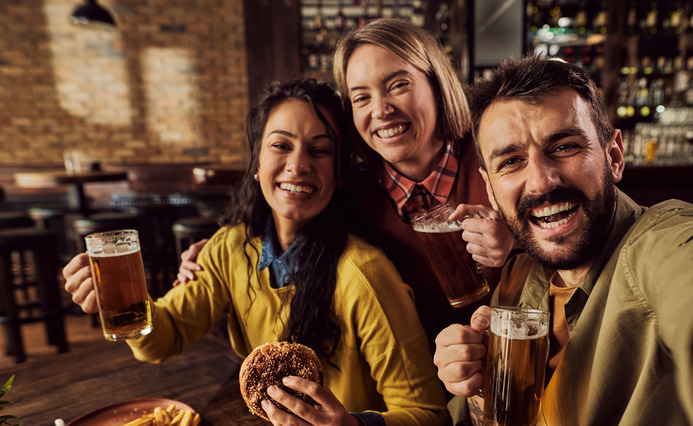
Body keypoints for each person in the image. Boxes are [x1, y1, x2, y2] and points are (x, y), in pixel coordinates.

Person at [63, 78, 451, 426]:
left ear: (340, 174)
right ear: (256, 164)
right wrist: (124, 304)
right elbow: (164, 340)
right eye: (281, 145)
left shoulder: (365, 276)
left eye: (319, 150)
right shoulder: (228, 248)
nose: (298, 165)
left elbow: (428, 415)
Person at [433, 54, 693, 426]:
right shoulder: (517, 276)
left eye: (565, 146)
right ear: (490, 187)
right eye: (512, 161)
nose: (540, 181)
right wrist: (471, 378)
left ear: (614, 156)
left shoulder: (658, 247)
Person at [176, 18, 516, 347]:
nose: (381, 110)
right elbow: (288, 230)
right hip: (405, 381)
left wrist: (517, 244)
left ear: (437, 84)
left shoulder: (499, 161)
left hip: (508, 369)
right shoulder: (351, 191)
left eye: (398, 85)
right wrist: (214, 254)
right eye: (361, 97)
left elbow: (565, 255)